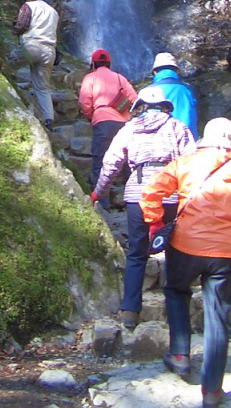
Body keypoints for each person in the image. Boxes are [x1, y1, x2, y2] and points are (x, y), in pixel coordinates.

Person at [140, 117, 231, 408]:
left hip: (186, 245)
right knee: (218, 317)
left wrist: (155, 221)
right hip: (227, 252)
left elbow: (152, 190)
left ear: (204, 140)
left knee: (176, 291)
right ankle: (211, 390)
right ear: (230, 145)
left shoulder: (185, 163)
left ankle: (180, 355)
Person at [90, 85, 195, 330]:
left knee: (137, 253)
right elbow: (190, 162)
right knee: (174, 253)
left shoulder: (130, 129)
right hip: (170, 194)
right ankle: (174, 310)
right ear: (165, 107)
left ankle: (130, 311)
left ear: (141, 106)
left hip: (137, 194)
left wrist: (98, 192)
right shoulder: (178, 127)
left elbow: (111, 163)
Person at [78, 49, 138, 210]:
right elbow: (135, 100)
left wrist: (93, 116)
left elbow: (85, 102)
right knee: (127, 163)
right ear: (109, 63)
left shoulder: (90, 78)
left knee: (99, 163)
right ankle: (133, 201)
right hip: (123, 124)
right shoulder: (120, 78)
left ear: (93, 64)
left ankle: (101, 204)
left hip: (101, 122)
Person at [12, 0, 59, 131]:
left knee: (5, 64)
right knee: (43, 87)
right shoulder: (53, 12)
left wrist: (13, 29)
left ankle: (11, 93)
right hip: (49, 51)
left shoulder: (28, 6)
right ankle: (48, 120)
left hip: (32, 45)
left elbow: (22, 25)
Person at [150, 52, 198, 138]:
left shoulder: (147, 91)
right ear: (176, 71)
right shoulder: (188, 89)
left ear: (154, 72)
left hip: (159, 144)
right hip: (187, 141)